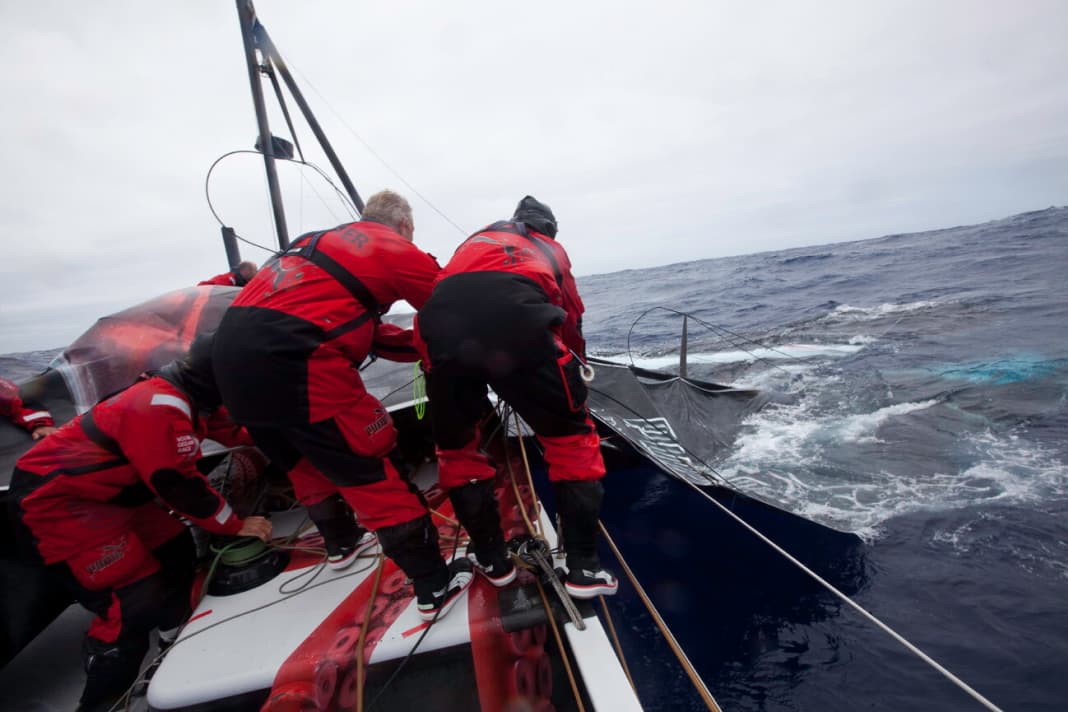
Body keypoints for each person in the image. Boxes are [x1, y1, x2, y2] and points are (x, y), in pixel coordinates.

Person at [212, 189, 473, 620]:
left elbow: (360, 329)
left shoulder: (311, 243)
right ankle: (434, 586)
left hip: (231, 370)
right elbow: (456, 314)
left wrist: (414, 344)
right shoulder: (395, 248)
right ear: (405, 226)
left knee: (303, 464)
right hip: (298, 364)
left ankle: (341, 544)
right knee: (376, 474)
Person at [8, 335, 272, 712]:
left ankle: (172, 639)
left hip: (114, 494)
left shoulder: (192, 396)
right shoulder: (158, 407)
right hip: (57, 503)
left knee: (175, 550)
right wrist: (234, 525)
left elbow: (234, 430)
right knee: (132, 599)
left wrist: (286, 437)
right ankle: (102, 701)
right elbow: (176, 484)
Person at [415, 196, 618, 599]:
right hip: (520, 326)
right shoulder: (548, 247)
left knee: (457, 453)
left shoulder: (473, 243)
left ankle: (493, 561)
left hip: (440, 334)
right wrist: (573, 368)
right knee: (572, 444)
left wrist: (435, 369)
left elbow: (440, 302)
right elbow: (570, 312)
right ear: (547, 228)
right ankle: (583, 568)